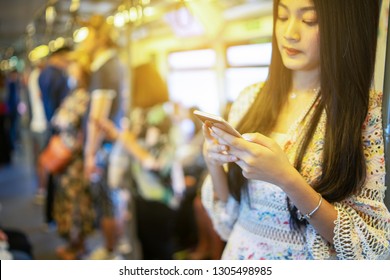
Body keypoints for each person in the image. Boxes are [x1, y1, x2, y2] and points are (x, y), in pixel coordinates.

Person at [201, 0, 390, 260]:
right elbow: (229, 218)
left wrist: (287, 179)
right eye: (282, 16)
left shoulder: (366, 114)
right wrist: (213, 161)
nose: (290, 32)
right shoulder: (249, 99)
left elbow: (372, 246)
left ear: (341, 27)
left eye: (309, 20)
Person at [81, 15, 130, 260]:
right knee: (113, 198)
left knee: (106, 202)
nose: (83, 41)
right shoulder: (114, 64)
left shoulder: (103, 68)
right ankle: (116, 245)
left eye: (87, 34)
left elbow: (97, 119)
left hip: (103, 147)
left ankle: (110, 251)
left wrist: (89, 154)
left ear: (100, 37)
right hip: (113, 145)